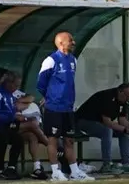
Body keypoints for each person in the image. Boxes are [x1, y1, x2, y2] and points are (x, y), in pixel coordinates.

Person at [37, 31, 86, 181]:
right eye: (70, 40)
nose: (73, 42)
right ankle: (56, 172)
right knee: (53, 139)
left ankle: (74, 171)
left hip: (68, 107)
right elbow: (41, 83)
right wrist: (50, 97)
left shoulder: (73, 60)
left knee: (69, 140)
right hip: (54, 108)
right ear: (60, 43)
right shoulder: (50, 60)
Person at [78, 83, 129, 173]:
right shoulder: (107, 97)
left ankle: (126, 163)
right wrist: (125, 129)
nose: (128, 99)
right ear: (120, 92)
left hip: (99, 123)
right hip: (83, 121)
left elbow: (122, 119)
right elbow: (108, 122)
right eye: (127, 96)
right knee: (107, 130)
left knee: (124, 133)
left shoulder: (124, 100)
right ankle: (107, 164)